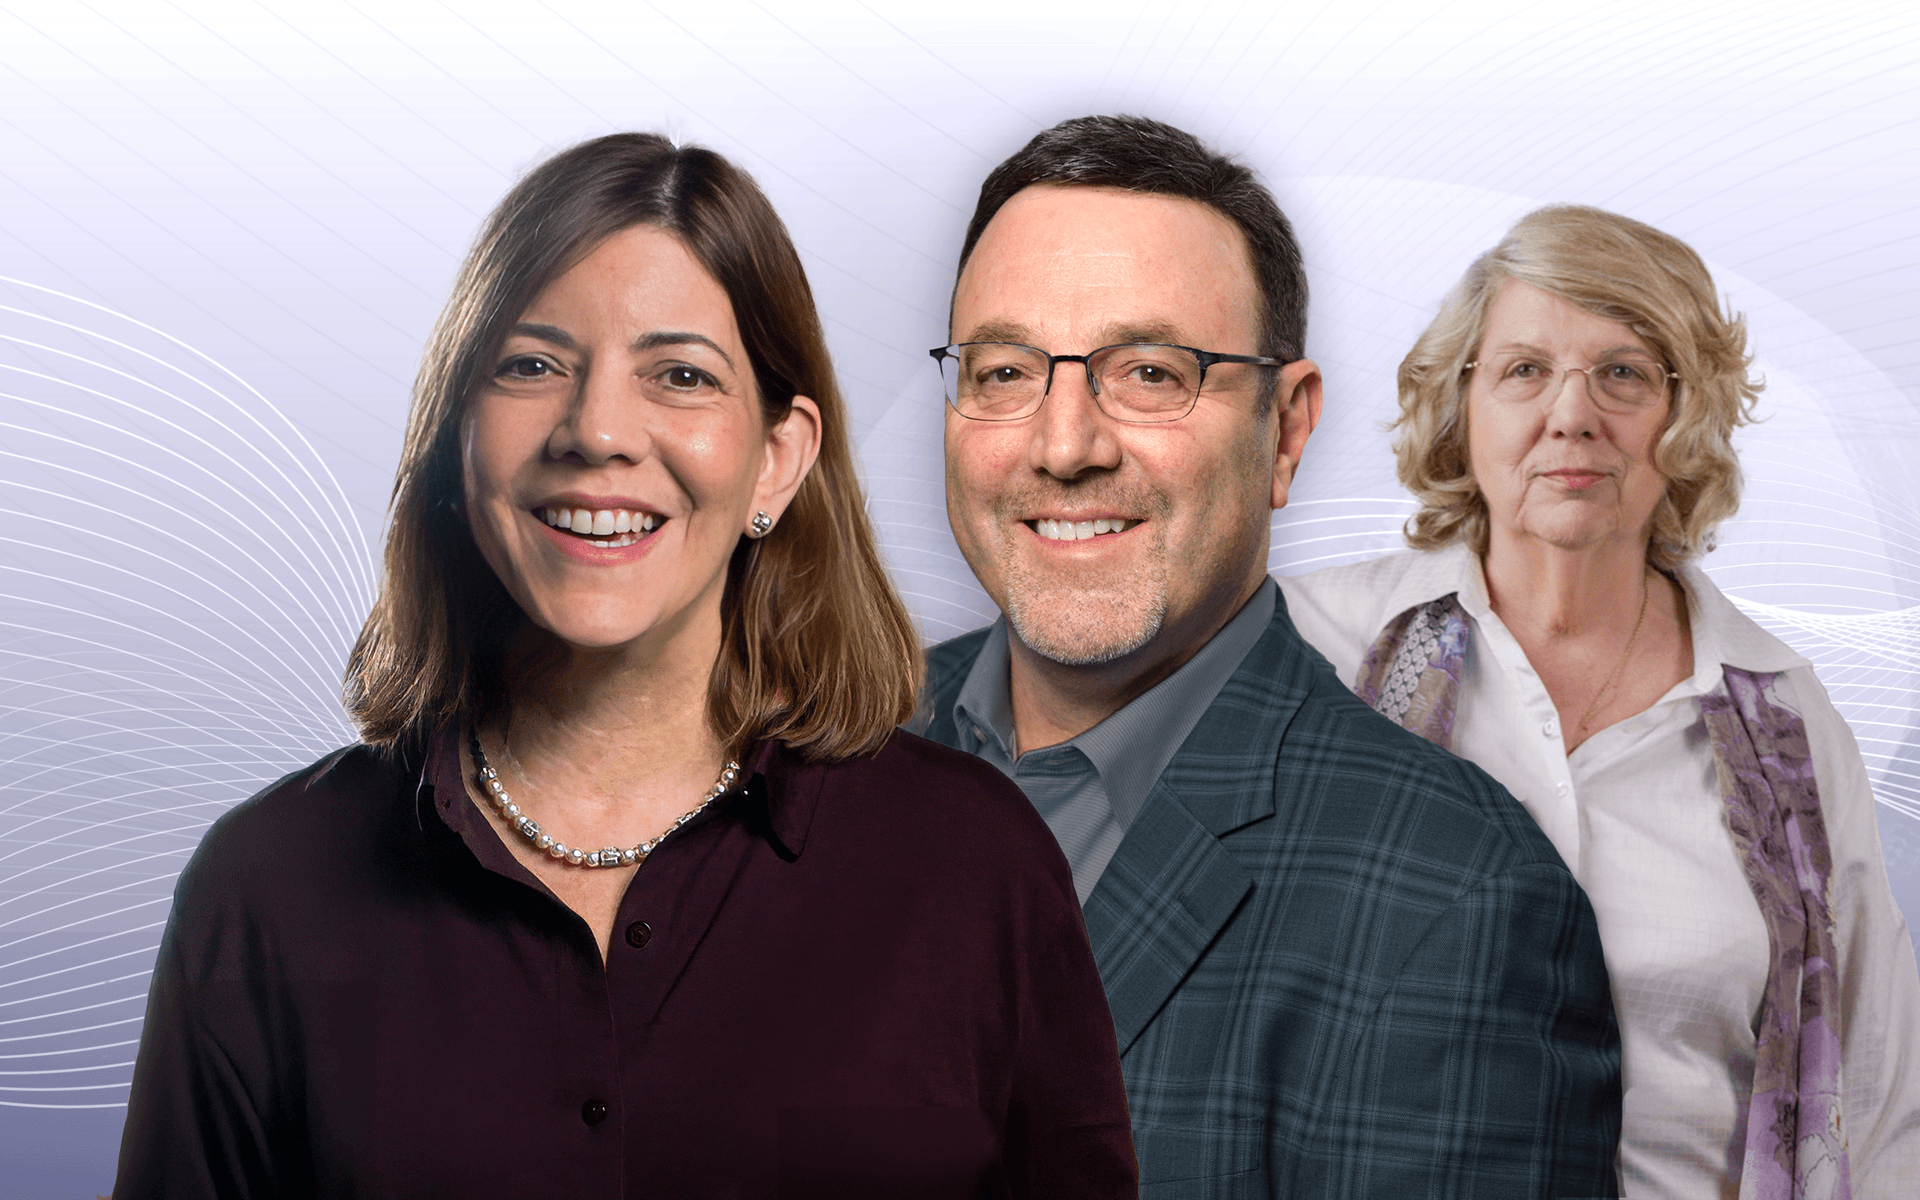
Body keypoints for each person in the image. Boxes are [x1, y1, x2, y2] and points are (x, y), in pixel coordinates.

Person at [114, 133, 1136, 1198]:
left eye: (681, 375)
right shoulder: (268, 888)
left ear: (777, 462)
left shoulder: (974, 871)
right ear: (460, 439)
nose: (598, 429)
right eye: (532, 365)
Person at [916, 114, 1621, 1196]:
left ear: (1286, 432)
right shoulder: (802, 755)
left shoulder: (1456, 900)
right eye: (1006, 370)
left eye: (1150, 373)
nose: (1063, 447)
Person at [1281, 204, 1920, 1197]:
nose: (1572, 414)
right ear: (1462, 408)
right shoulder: (1310, 647)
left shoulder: (1787, 725)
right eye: (1524, 370)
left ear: (1685, 412)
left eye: (1623, 372)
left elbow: (1879, 1113)